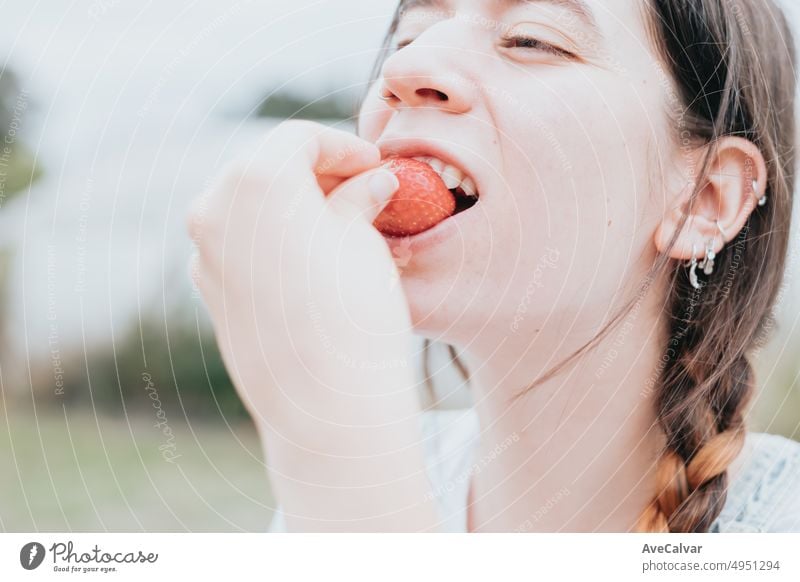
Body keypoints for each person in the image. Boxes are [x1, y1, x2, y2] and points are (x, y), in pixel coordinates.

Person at [188, 0, 800, 532]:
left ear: (706, 200)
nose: (402, 70)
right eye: (408, 37)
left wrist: (337, 448)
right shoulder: (367, 480)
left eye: (532, 39)